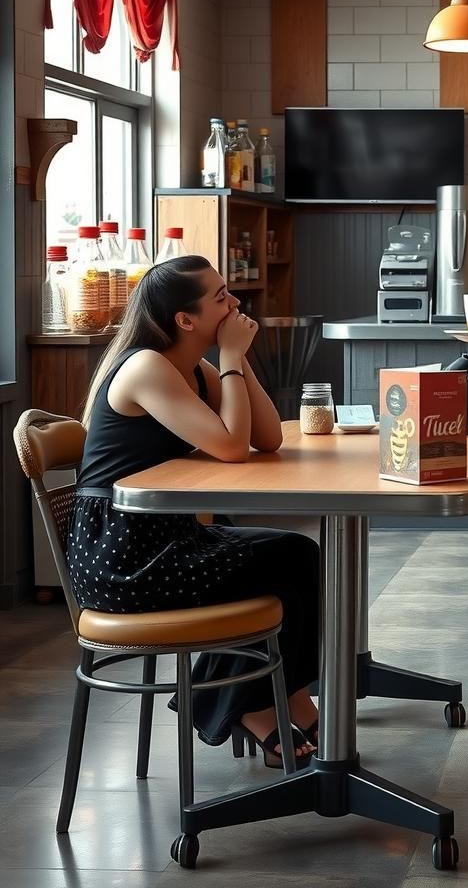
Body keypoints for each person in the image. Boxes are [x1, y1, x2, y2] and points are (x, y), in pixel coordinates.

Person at [69, 256, 319, 768]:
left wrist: (236, 360)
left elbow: (267, 437)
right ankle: (255, 707)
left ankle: (282, 699)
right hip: (126, 560)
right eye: (221, 297)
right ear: (185, 320)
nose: (235, 303)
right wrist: (230, 356)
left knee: (298, 555)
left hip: (171, 539)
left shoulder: (190, 367)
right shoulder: (147, 366)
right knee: (284, 563)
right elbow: (232, 447)